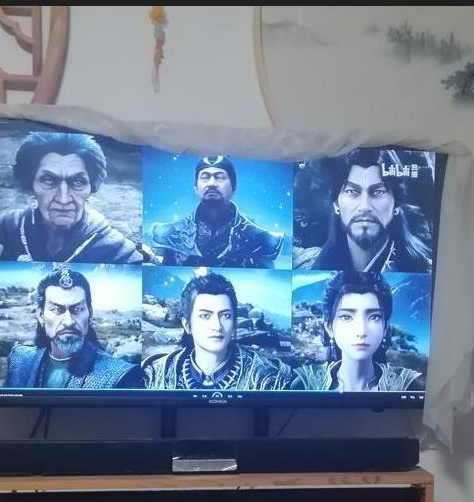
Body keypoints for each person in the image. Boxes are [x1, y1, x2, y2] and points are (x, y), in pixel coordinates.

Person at [0, 131, 143, 264]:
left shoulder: (118, 253)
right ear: (31, 186)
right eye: (49, 180)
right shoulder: (4, 232)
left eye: (77, 182)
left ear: (91, 188)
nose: (63, 199)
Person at [142, 271, 292, 391]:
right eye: (205, 316)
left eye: (225, 315)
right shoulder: (155, 373)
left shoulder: (270, 376)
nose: (217, 326)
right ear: (187, 325)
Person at [293, 148, 433, 273]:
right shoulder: (307, 267)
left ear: (396, 204)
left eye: (378, 192)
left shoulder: (426, 270)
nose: (365, 206)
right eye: (352, 191)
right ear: (336, 204)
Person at [5, 267, 143, 389]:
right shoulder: (20, 359)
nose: (69, 322)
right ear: (41, 315)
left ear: (90, 313)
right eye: (57, 310)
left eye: (77, 309)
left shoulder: (119, 375)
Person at [291, 271, 424, 393]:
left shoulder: (407, 386)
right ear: (329, 327)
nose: (361, 331)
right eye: (346, 317)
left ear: (385, 328)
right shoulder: (306, 384)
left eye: (374, 317)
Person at [147, 155, 284, 268]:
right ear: (196, 187)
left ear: (233, 187)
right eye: (205, 177)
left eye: (219, 177)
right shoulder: (169, 234)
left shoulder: (261, 239)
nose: (211, 183)